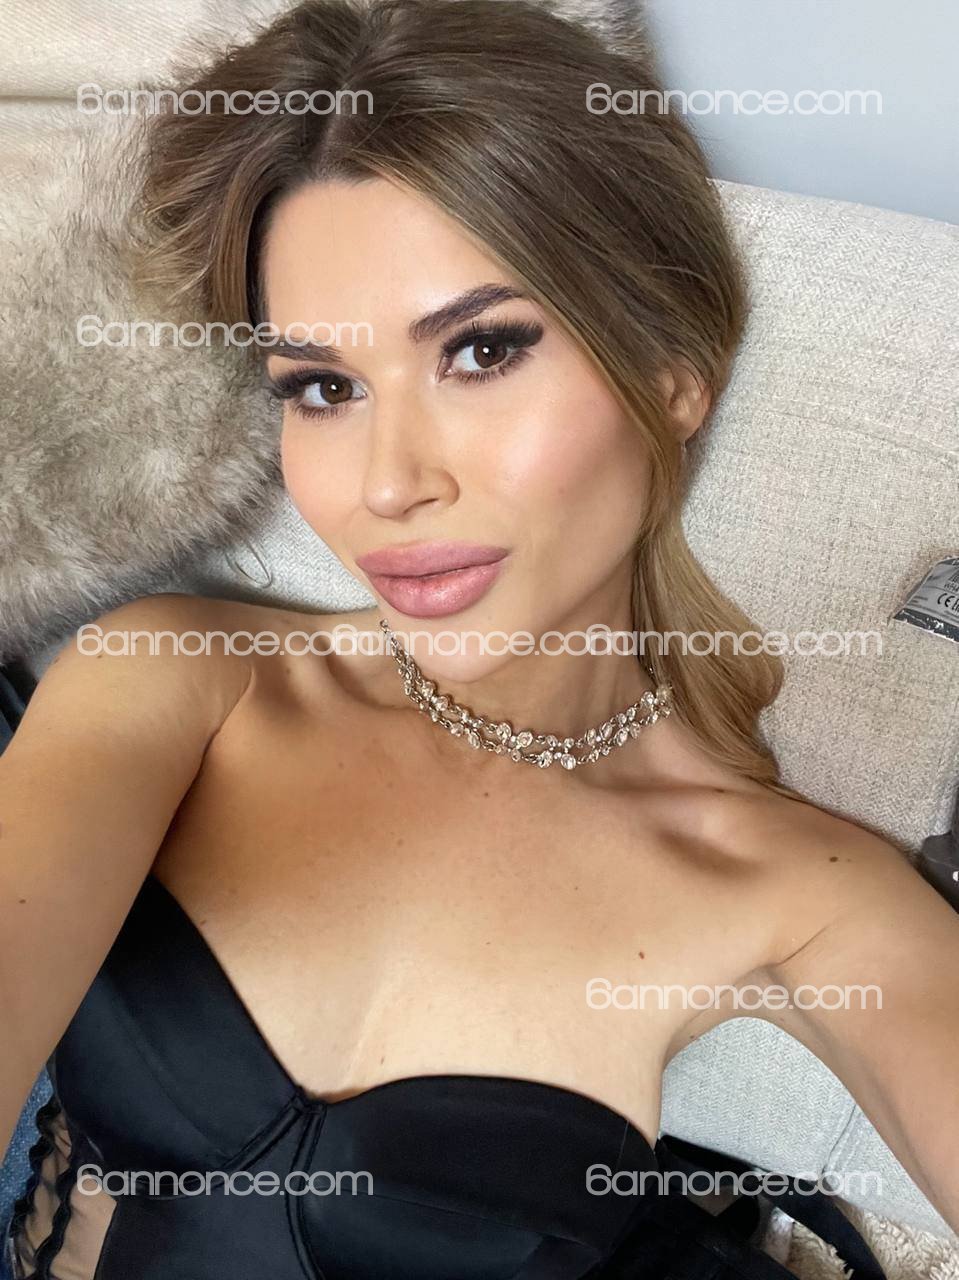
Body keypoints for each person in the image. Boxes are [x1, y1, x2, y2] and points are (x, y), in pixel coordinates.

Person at [2, 0, 957, 1275]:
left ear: (673, 371)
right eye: (323, 387)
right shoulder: (179, 678)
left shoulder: (796, 891)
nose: (387, 482)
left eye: (481, 349)